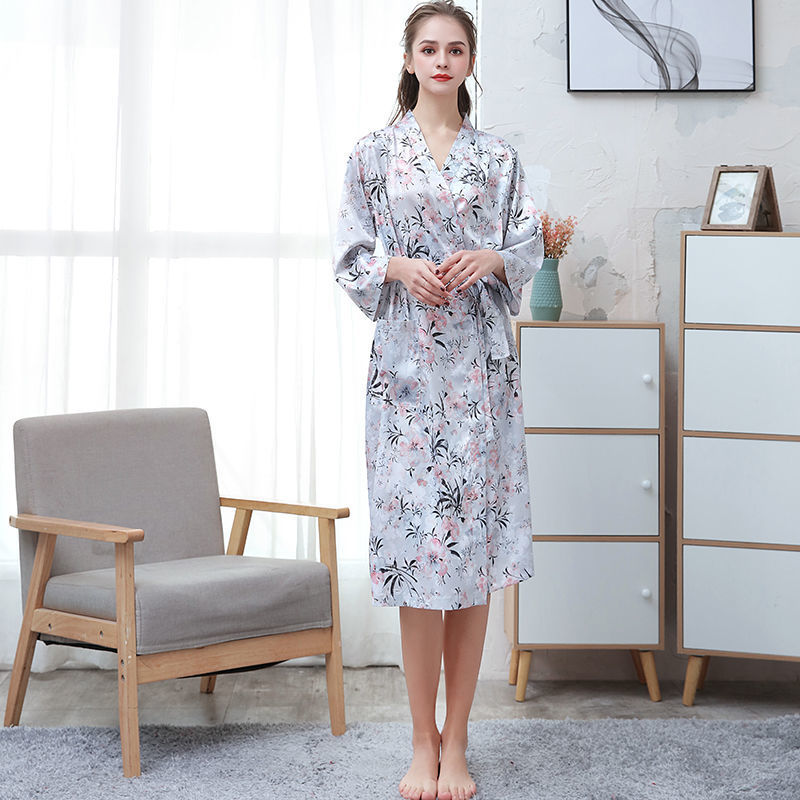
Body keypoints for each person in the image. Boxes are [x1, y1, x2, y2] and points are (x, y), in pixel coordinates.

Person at [332, 2, 543, 798]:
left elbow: (525, 244)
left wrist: (493, 257)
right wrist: (396, 267)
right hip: (406, 378)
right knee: (419, 558)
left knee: (472, 561)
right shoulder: (372, 154)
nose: (443, 60)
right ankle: (420, 741)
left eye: (456, 48)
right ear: (410, 59)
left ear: (470, 61)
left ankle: (458, 742)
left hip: (481, 377)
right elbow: (350, 253)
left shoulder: (499, 158)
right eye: (430, 48)